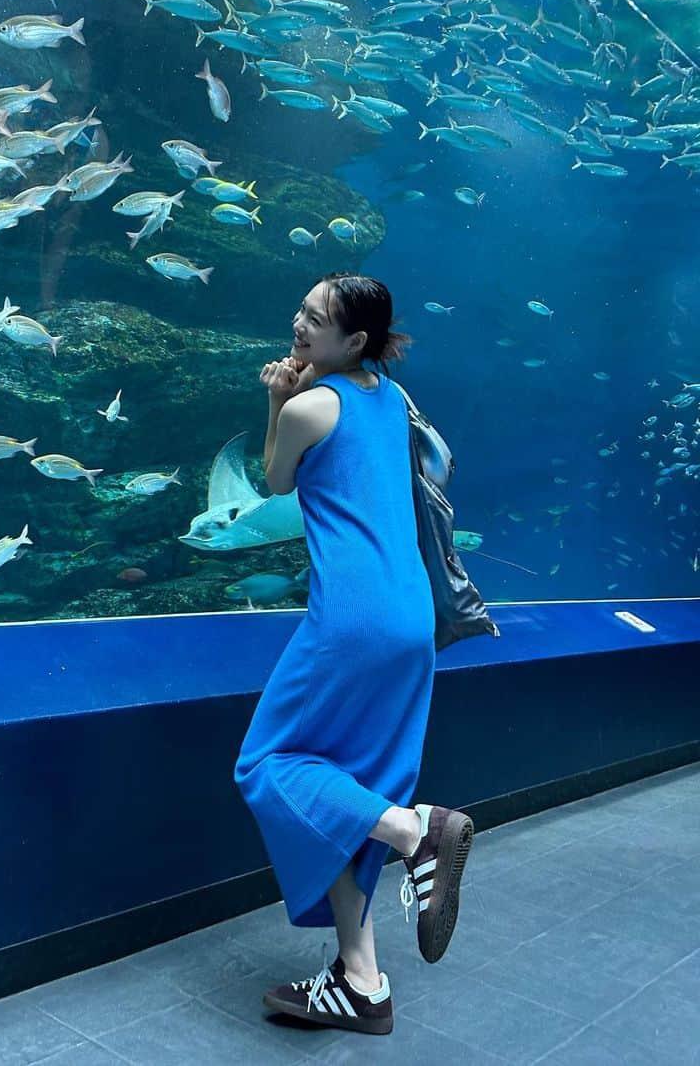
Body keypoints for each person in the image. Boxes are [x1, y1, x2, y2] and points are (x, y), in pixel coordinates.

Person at [233, 272, 475, 1036]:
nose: (298, 324)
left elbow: (275, 478)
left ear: (354, 340)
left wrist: (277, 397)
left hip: (351, 622)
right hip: (410, 623)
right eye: (301, 308)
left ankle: (416, 831)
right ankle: (361, 981)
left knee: (270, 766)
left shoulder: (309, 405)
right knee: (351, 791)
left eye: (316, 319)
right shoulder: (391, 397)